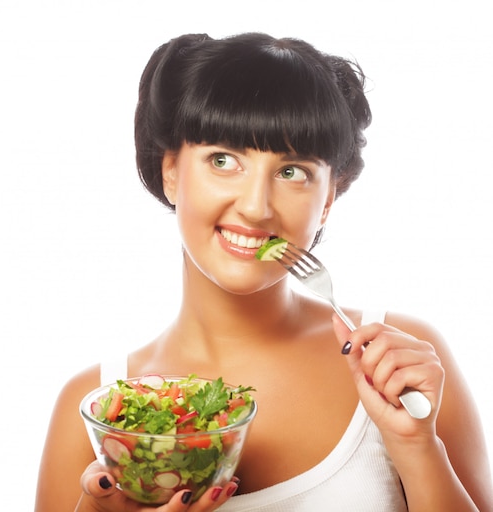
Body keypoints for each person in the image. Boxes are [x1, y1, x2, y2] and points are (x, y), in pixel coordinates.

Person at [35, 33, 493, 511]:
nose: (256, 208)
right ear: (171, 171)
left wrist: (419, 447)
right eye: (223, 160)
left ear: (329, 200)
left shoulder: (405, 365)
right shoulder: (93, 411)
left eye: (292, 171)